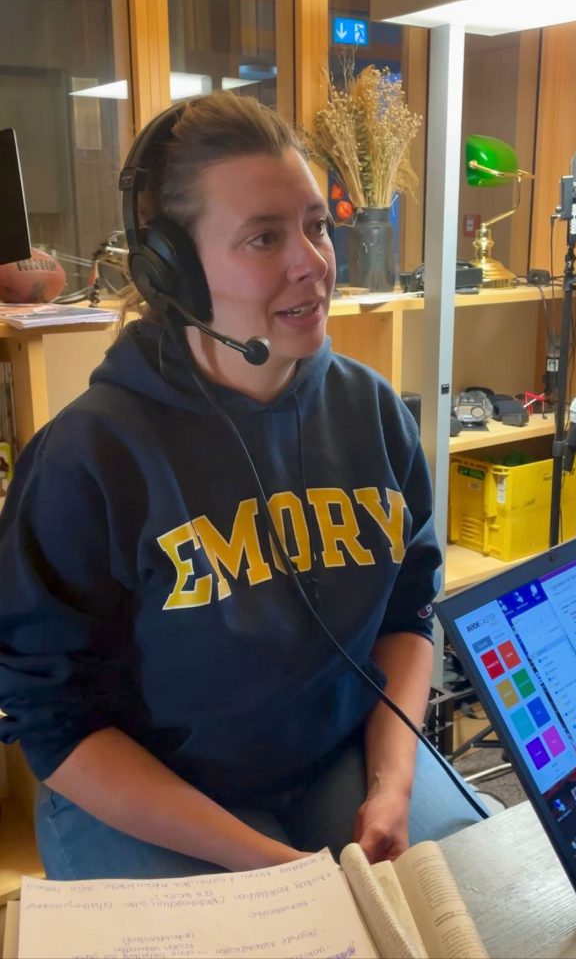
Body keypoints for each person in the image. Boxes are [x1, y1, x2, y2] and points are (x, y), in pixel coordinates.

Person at [0, 92, 486, 881]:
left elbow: (408, 612)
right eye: (264, 237)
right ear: (173, 272)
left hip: (336, 759)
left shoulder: (369, 412)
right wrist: (279, 872)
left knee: (480, 905)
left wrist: (392, 786)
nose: (312, 262)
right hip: (150, 795)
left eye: (315, 225)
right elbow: (54, 722)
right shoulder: (87, 457)